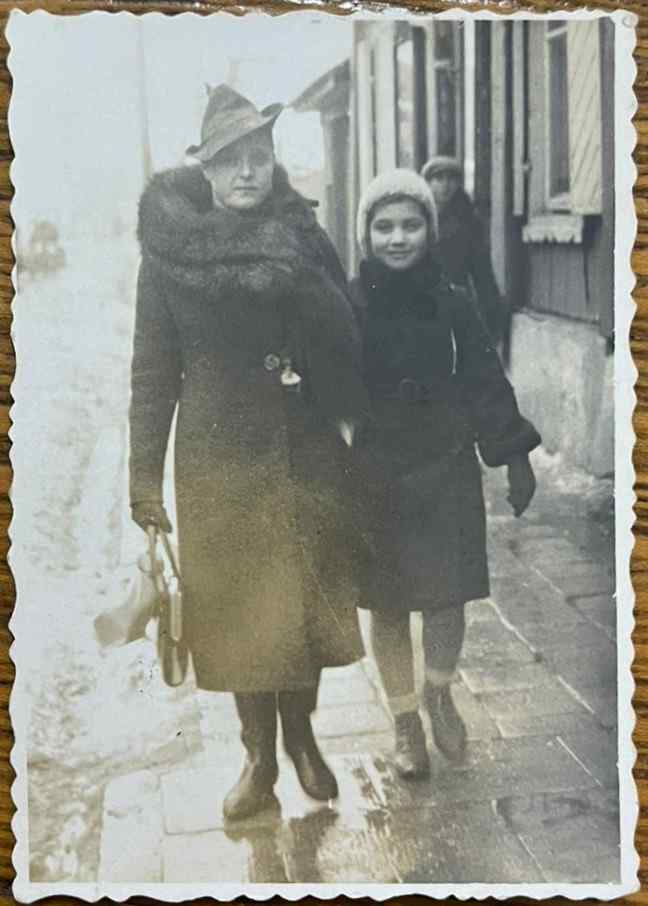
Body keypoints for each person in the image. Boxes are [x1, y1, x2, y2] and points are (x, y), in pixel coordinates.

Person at [130, 85, 370, 820]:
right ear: (204, 169)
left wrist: (312, 312)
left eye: (258, 157)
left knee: (303, 603)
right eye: (230, 160)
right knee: (240, 615)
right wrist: (144, 482)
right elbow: (152, 371)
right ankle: (258, 758)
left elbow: (349, 336)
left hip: (303, 451)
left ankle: (302, 738)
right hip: (218, 461)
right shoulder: (168, 255)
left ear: (273, 161)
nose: (246, 172)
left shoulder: (302, 234)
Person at [350, 169, 540, 778]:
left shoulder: (453, 300)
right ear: (366, 235)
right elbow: (326, 384)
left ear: (429, 231)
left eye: (410, 225)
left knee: (446, 596)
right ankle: (405, 720)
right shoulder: (349, 306)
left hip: (445, 466)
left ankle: (438, 691)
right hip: (377, 473)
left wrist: (514, 454)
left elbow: (485, 380)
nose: (397, 237)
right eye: (384, 226)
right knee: (387, 606)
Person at [421, 156, 504, 341]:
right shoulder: (419, 218)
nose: (445, 185)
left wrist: (492, 319)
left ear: (458, 183)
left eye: (451, 179)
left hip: (455, 300)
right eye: (438, 178)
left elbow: (483, 273)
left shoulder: (468, 221)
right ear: (428, 183)